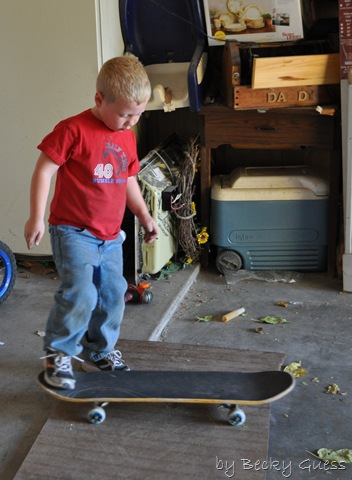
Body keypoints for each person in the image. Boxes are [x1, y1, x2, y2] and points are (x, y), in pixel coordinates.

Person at [24, 56, 158, 390]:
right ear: (99, 100)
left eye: (138, 114)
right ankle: (58, 356)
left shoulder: (126, 136)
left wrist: (143, 215)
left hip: (112, 236)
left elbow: (128, 179)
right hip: (73, 231)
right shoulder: (73, 129)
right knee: (80, 293)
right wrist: (36, 216)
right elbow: (44, 169)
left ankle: (101, 350)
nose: (131, 122)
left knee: (113, 294)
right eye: (125, 114)